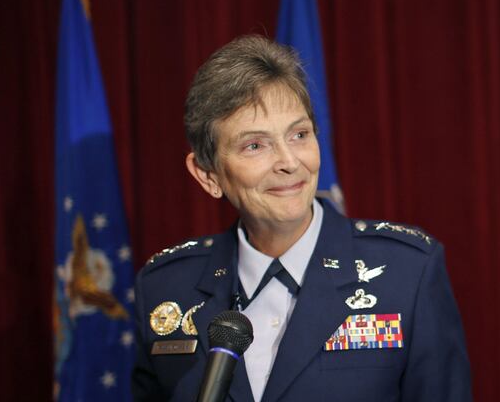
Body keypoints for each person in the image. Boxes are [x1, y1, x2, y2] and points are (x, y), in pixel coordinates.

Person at [131, 35, 471, 402]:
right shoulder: (165, 288)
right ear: (207, 175)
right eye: (255, 145)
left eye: (299, 134)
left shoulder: (408, 273)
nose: (290, 162)